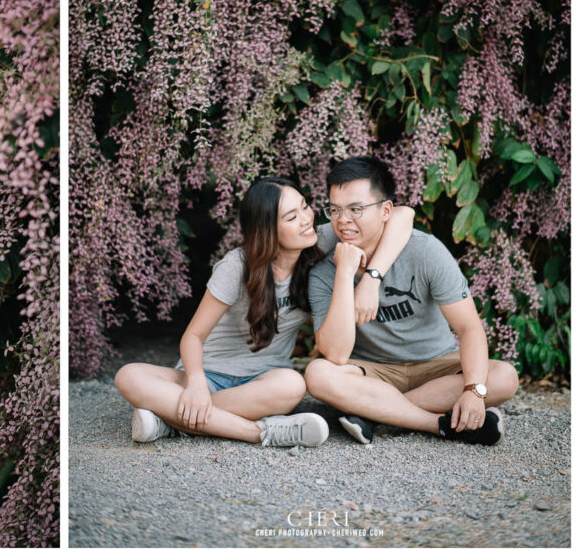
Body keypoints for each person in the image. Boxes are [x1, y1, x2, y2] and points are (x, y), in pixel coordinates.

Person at [114, 176, 415, 448]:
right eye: (291, 217)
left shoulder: (317, 242)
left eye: (305, 206)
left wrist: (371, 279)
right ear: (268, 229)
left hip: (263, 382)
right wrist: (195, 385)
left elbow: (403, 214)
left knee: (293, 385)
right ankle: (260, 432)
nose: (306, 219)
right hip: (209, 376)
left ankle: (172, 421)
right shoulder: (236, 266)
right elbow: (194, 335)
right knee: (129, 376)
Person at [304, 156, 520, 446]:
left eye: (356, 209)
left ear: (386, 211)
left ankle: (375, 413)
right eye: (334, 209)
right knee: (318, 374)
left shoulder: (425, 252)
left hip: (437, 365)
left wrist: (473, 391)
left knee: (504, 376)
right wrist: (344, 273)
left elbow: (469, 327)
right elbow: (335, 354)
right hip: (373, 370)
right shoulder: (325, 269)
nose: (343, 220)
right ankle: (437, 424)